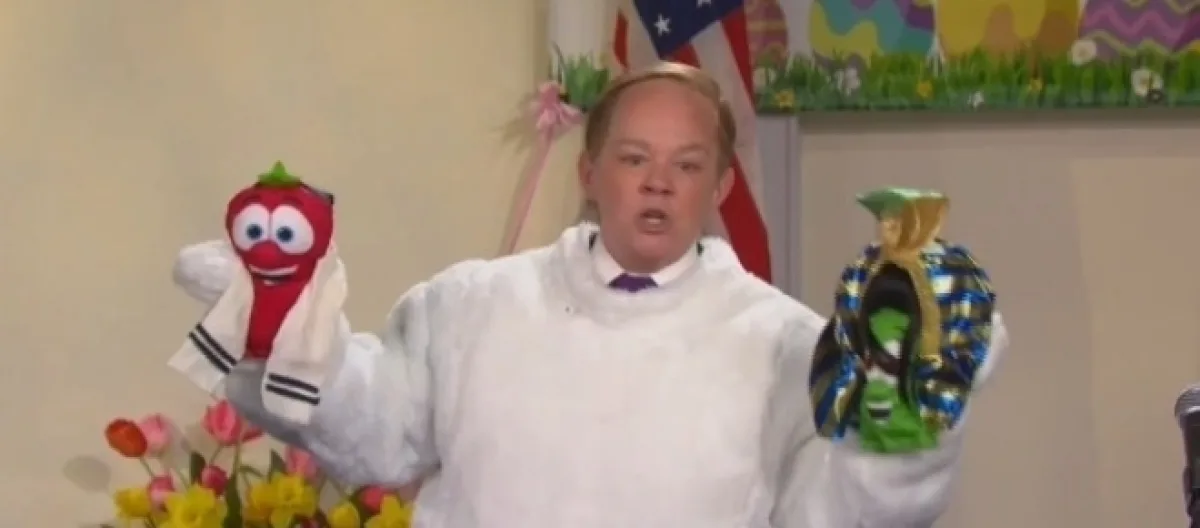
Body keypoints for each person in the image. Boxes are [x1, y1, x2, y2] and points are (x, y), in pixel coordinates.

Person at [171, 62, 1009, 527]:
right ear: (590, 172)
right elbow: (377, 437)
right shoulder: (474, 306)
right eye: (635, 159)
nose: (658, 184)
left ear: (720, 185)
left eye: (687, 166)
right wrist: (285, 328)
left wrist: (909, 418)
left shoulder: (787, 343)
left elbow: (837, 518)